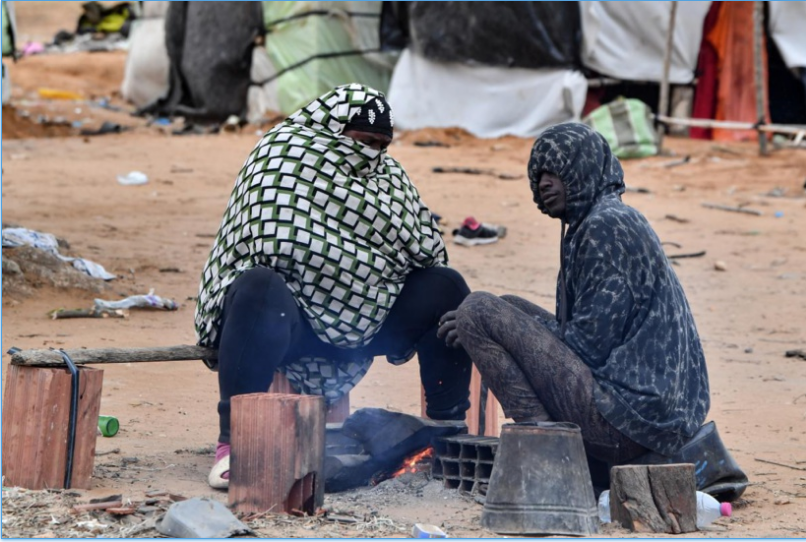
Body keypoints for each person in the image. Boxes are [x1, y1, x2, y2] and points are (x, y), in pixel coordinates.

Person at [195, 84, 472, 489]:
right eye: (363, 142)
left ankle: (448, 429)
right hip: (288, 324)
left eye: (381, 145)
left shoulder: (388, 176)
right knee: (257, 287)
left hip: (366, 319)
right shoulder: (282, 156)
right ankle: (232, 444)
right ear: (332, 130)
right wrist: (363, 259)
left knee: (446, 287)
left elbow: (428, 250)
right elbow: (273, 243)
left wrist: (357, 269)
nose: (371, 154)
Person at [439, 122, 711, 473]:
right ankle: (552, 443)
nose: (544, 184)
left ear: (584, 169)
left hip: (633, 422)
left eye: (556, 172)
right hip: (653, 419)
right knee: (505, 305)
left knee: (478, 309)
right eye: (538, 176)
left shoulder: (605, 226)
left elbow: (586, 347)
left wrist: (478, 326)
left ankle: (548, 456)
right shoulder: (600, 221)